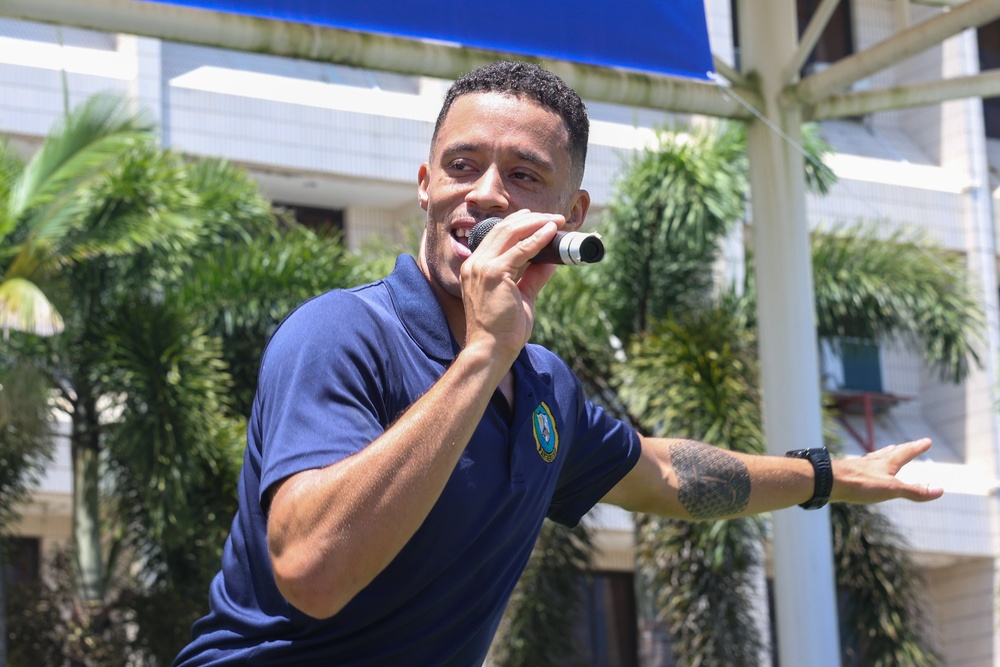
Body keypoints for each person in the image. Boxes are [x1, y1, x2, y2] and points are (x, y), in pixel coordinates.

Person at [173, 60, 942, 666]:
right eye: (462, 165)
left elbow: (664, 473)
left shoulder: (543, 389)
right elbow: (311, 570)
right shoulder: (341, 332)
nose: (485, 196)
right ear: (424, 185)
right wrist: (483, 352)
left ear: (570, 217)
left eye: (523, 175)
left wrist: (827, 476)